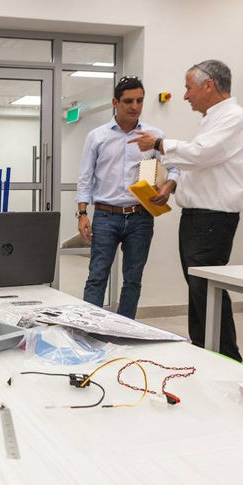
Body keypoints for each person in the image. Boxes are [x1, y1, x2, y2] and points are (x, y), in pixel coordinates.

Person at [129, 60, 243, 361]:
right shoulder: (212, 120)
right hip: (198, 217)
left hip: (212, 218)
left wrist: (160, 143)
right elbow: (201, 163)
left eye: (189, 88)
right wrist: (172, 184)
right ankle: (204, 349)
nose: (185, 96)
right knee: (198, 289)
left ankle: (228, 358)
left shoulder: (233, 118)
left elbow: (202, 154)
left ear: (209, 85)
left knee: (207, 290)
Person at [77, 76, 179, 319]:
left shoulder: (154, 136)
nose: (135, 106)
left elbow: (174, 168)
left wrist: (168, 187)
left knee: (133, 280)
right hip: (106, 215)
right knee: (97, 276)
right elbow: (85, 177)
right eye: (128, 101)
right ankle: (88, 330)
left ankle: (125, 330)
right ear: (115, 102)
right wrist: (82, 214)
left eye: (140, 101)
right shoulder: (97, 136)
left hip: (140, 218)